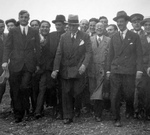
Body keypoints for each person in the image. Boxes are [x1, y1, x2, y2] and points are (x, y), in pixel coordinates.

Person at [51, 14, 92, 124]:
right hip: (66, 69)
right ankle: (68, 116)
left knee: (77, 91)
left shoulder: (84, 36)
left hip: (79, 69)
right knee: (66, 92)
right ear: (67, 26)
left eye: (74, 25)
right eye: (70, 25)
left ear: (77, 26)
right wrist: (55, 69)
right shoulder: (64, 37)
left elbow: (88, 52)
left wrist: (84, 65)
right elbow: (59, 53)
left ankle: (76, 109)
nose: (72, 28)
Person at [2, 10, 40, 123]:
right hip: (15, 64)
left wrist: (37, 64)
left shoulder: (33, 31)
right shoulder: (13, 31)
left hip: (29, 64)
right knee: (15, 89)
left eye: (26, 17)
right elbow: (8, 47)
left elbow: (37, 48)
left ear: (29, 18)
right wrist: (4, 61)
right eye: (21, 17)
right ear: (19, 18)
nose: (23, 19)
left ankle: (26, 109)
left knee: (24, 87)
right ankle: (18, 114)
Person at [107, 11, 143, 127]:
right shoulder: (113, 37)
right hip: (116, 71)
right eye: (118, 22)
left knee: (129, 94)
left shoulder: (134, 36)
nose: (120, 24)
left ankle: (129, 109)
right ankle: (116, 118)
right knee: (115, 95)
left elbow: (139, 55)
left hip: (129, 71)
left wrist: (139, 70)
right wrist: (108, 70)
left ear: (127, 22)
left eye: (122, 21)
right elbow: (110, 55)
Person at [45, 15, 67, 120]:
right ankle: (54, 107)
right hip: (51, 67)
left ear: (64, 25)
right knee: (51, 87)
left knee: (62, 90)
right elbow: (46, 51)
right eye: (56, 25)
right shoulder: (51, 35)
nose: (58, 27)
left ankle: (61, 110)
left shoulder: (67, 35)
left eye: (60, 25)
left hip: (63, 67)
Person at [88, 22, 110, 122]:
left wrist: (108, 70)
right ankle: (94, 109)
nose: (99, 28)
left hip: (102, 69)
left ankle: (98, 114)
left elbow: (110, 56)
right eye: (97, 27)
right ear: (94, 29)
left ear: (104, 28)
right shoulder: (90, 39)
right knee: (92, 90)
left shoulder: (109, 40)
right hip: (91, 69)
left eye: (101, 26)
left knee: (99, 92)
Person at [33, 20, 51, 119]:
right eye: (43, 26)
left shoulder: (51, 38)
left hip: (46, 69)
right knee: (34, 89)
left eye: (47, 27)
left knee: (42, 88)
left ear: (49, 28)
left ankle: (38, 111)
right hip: (35, 68)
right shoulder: (34, 38)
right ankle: (36, 108)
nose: (45, 28)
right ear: (40, 28)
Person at [137, 18, 150, 120]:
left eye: (149, 25)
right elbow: (138, 55)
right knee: (142, 90)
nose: (148, 27)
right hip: (143, 68)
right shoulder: (140, 38)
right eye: (145, 25)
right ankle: (142, 110)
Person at [0, 19, 8, 103]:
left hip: (7, 65)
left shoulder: (7, 36)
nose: (1, 29)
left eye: (2, 27)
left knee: (2, 88)